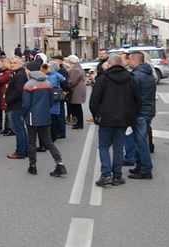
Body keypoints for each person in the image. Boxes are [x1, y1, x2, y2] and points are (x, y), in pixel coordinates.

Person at [89, 56, 140, 186]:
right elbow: (137, 100)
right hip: (124, 118)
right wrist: (132, 116)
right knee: (118, 147)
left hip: (106, 118)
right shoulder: (130, 78)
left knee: (104, 146)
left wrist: (96, 115)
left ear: (110, 64)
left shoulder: (103, 79)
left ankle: (106, 174)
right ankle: (117, 176)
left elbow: (94, 100)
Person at [22, 68, 67, 177]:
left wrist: (24, 115)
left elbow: (26, 103)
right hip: (45, 115)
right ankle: (59, 163)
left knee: (32, 141)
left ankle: (32, 166)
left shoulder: (28, 85)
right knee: (48, 141)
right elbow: (51, 99)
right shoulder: (48, 83)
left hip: (32, 116)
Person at [127, 51, 157, 180]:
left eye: (129, 60)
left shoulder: (137, 75)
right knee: (141, 139)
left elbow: (132, 95)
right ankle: (140, 165)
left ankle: (145, 169)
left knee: (141, 141)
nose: (128, 62)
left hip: (140, 112)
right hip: (148, 110)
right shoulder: (147, 73)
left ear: (135, 60)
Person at [5, 57, 28, 159]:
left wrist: (9, 100)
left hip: (16, 106)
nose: (12, 64)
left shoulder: (19, 75)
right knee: (21, 128)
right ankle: (24, 150)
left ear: (20, 64)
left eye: (14, 63)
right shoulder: (19, 74)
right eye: (11, 63)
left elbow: (19, 91)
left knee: (18, 129)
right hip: (18, 105)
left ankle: (21, 151)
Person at [65, 55, 86, 129]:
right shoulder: (78, 68)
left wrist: (67, 85)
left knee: (77, 107)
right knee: (77, 107)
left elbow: (72, 82)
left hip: (77, 90)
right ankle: (80, 123)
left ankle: (79, 123)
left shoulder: (75, 70)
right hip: (79, 89)